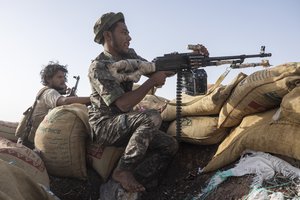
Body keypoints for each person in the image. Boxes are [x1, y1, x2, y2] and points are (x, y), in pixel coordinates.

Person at [88, 12, 180, 194]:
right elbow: (122, 104)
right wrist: (152, 82)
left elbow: (156, 69)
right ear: (108, 35)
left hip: (125, 121)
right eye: (124, 32)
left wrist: (187, 60)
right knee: (151, 117)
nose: (129, 38)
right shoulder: (98, 67)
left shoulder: (129, 56)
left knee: (170, 145)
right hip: (105, 126)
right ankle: (122, 171)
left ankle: (133, 183)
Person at [17, 61, 90, 148]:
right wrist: (92, 99)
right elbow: (65, 101)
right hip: (31, 143)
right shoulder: (49, 92)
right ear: (48, 79)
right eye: (59, 77)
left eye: (63, 77)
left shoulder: (46, 92)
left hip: (33, 141)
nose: (63, 80)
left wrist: (71, 96)